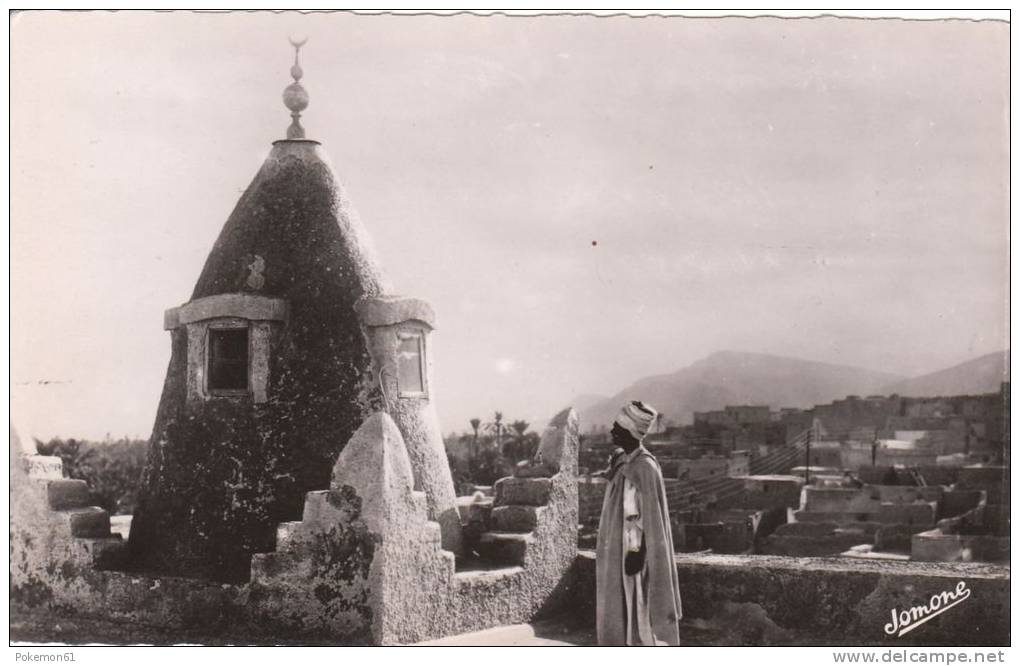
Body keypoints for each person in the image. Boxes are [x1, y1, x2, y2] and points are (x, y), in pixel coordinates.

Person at [596, 400, 683, 646]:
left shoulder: (644, 467)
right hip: (617, 549)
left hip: (634, 553)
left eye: (617, 427)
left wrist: (638, 552)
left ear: (630, 432)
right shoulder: (622, 461)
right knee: (619, 607)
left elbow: (650, 520)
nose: (612, 431)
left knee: (640, 607)